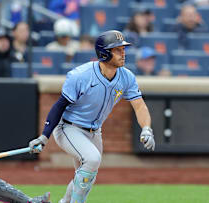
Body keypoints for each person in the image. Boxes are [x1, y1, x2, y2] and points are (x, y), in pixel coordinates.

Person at [29, 30, 155, 203]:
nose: (123, 53)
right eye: (117, 49)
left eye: (123, 49)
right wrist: (44, 136)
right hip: (69, 128)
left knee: (86, 176)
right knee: (92, 159)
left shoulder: (127, 77)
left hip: (95, 131)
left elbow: (140, 105)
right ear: (104, 53)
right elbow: (59, 106)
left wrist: (147, 128)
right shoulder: (80, 75)